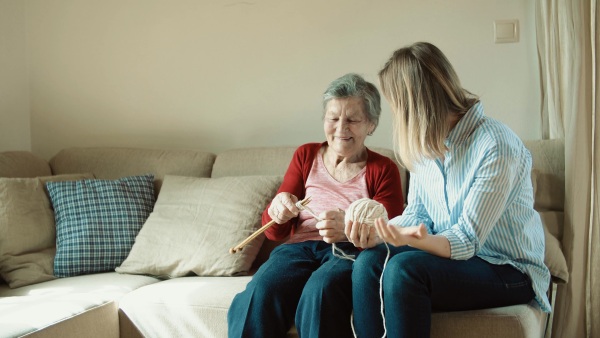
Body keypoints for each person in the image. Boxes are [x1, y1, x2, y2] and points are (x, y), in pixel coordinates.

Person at [347, 42, 551, 338]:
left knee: (404, 270)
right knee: (368, 262)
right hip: (455, 260)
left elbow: (467, 240)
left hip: (507, 268)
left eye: (397, 106)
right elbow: (417, 213)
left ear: (414, 105)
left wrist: (414, 239)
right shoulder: (425, 146)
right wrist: (381, 233)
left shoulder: (495, 145)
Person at [227, 73, 404, 338]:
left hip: (347, 252)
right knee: (262, 290)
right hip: (297, 249)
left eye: (353, 120)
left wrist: (347, 229)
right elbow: (273, 232)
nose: (341, 128)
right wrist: (279, 209)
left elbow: (391, 232)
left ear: (371, 124)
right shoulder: (306, 155)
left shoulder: (383, 168)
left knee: (321, 291)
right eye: (333, 118)